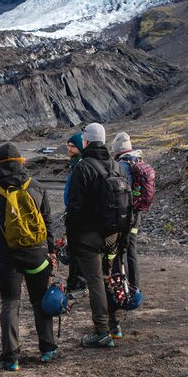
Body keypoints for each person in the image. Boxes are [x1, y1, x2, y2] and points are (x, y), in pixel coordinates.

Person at [0, 143, 57, 370]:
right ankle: (48, 349)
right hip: (37, 255)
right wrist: (51, 250)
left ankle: (11, 357)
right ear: (20, 161)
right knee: (39, 301)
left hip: (7, 256)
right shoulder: (36, 187)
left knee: (10, 304)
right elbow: (48, 222)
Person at [65, 122, 122, 348]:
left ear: (85, 141)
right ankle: (115, 325)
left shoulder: (83, 167)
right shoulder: (115, 166)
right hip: (113, 235)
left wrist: (72, 240)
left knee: (95, 281)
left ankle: (101, 331)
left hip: (90, 236)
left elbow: (74, 208)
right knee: (108, 277)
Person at [111, 132, 143, 293]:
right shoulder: (137, 161)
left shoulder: (121, 166)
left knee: (118, 248)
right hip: (137, 213)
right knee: (132, 247)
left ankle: (119, 285)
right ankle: (135, 285)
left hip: (124, 214)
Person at [62, 132, 87, 296]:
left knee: (77, 250)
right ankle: (74, 281)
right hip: (74, 212)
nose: (69, 149)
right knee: (74, 249)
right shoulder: (76, 164)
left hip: (78, 215)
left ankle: (78, 283)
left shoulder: (80, 165)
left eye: (72, 146)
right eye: (68, 146)